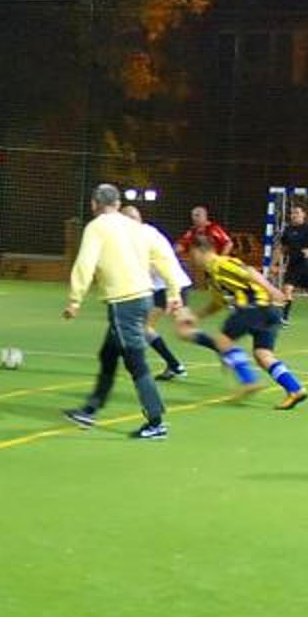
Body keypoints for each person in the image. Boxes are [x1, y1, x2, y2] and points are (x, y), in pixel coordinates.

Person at [63, 185, 196, 439]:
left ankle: (156, 422)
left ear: (94, 204)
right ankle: (90, 410)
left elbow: (85, 264)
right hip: (144, 298)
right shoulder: (139, 228)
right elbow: (164, 259)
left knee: (136, 362)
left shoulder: (97, 227)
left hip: (123, 302)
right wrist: (173, 292)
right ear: (118, 203)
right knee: (108, 354)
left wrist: (75, 299)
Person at [193, 245, 308, 409]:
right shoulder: (213, 275)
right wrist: (196, 317)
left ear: (199, 251)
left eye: (192, 254)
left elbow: (249, 271)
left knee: (222, 341)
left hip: (254, 307)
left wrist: (272, 290)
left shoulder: (220, 264)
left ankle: (249, 381)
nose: (192, 260)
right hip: (270, 311)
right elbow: (218, 303)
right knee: (263, 355)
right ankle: (295, 389)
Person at [118, 203, 191, 379]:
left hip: (167, 287)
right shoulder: (150, 231)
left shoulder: (138, 237)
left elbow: (150, 266)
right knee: (184, 329)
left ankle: (176, 364)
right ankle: (175, 365)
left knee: (145, 327)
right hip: (174, 284)